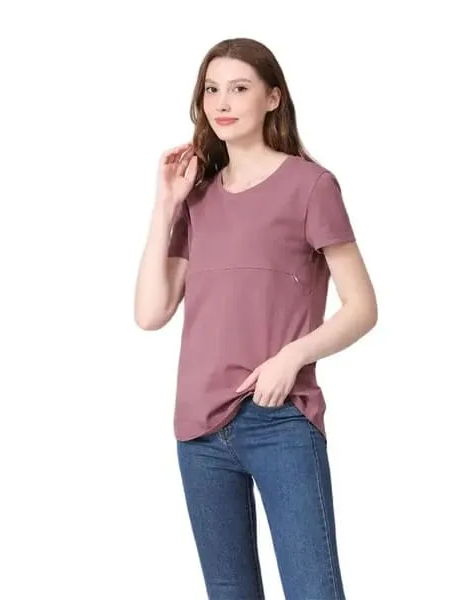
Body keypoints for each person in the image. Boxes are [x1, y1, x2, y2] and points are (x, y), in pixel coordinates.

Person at [134, 37, 377, 600]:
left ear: (272, 98)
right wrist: (166, 205)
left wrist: (293, 356)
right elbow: (150, 312)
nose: (222, 102)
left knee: (314, 590)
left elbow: (362, 306)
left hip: (279, 419)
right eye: (211, 89)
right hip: (197, 428)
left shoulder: (311, 186)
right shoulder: (195, 201)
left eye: (239, 88)